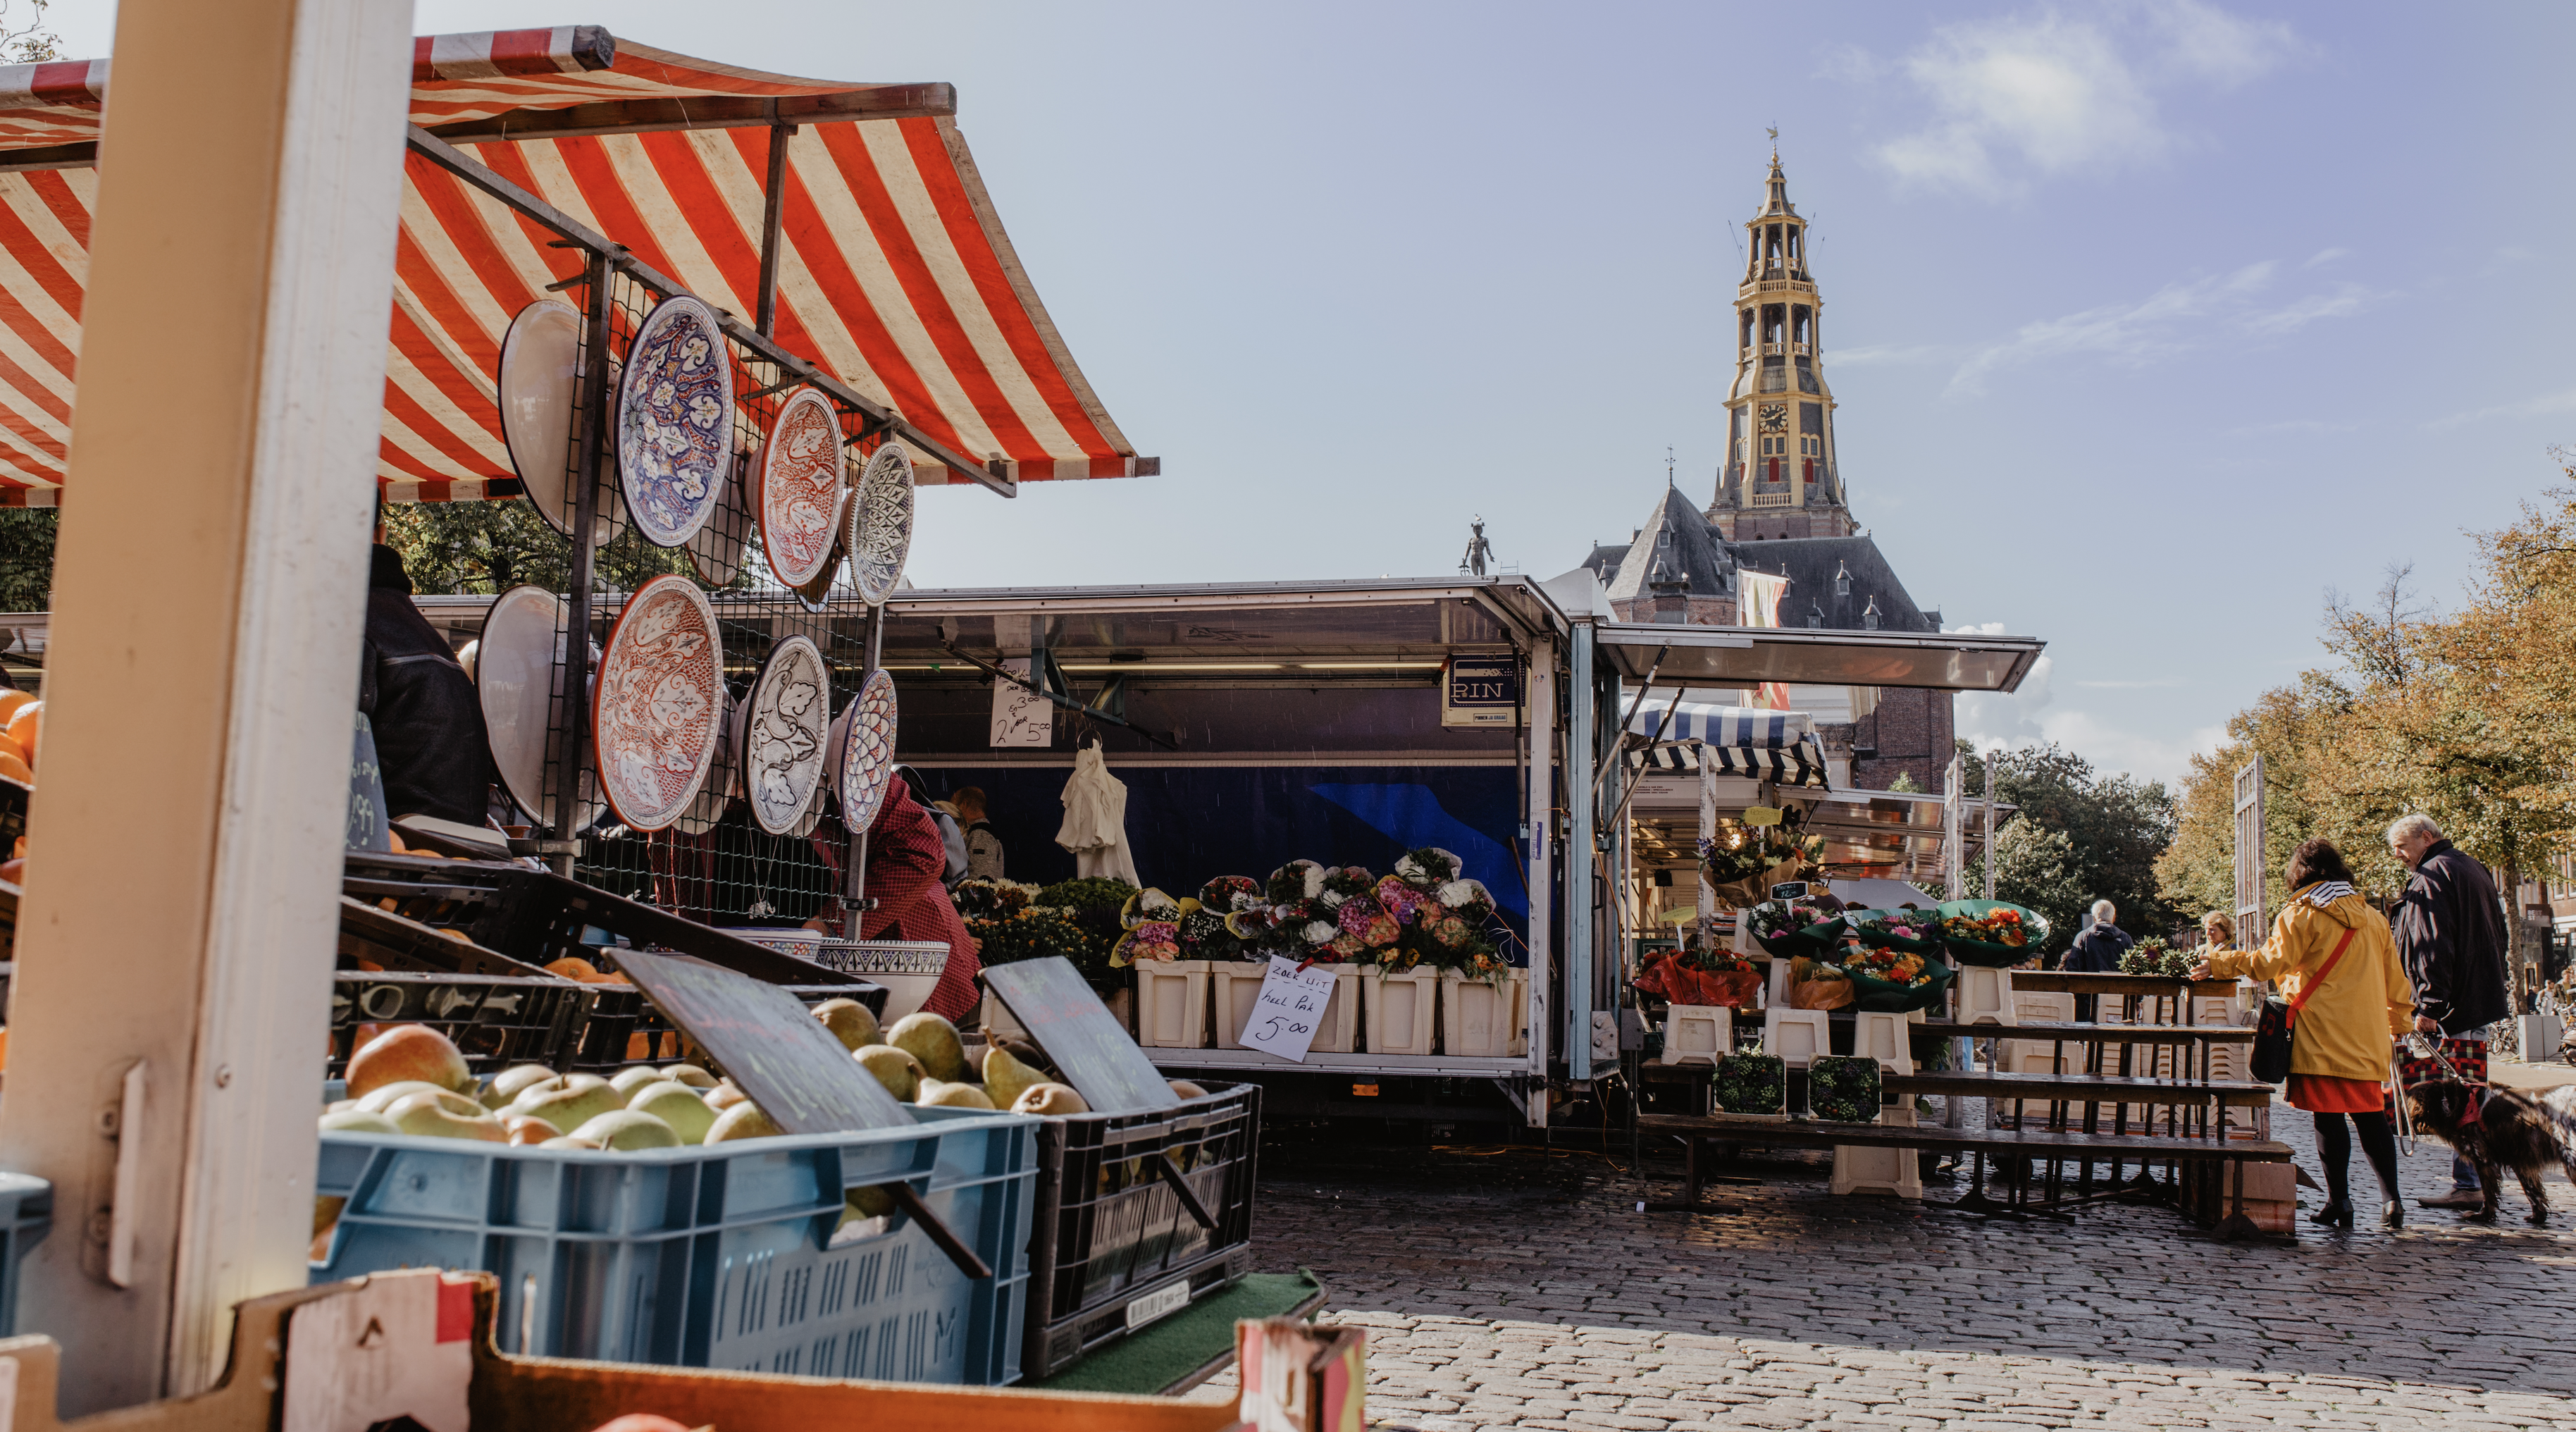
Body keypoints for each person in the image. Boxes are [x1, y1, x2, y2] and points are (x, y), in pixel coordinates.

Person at [2193, 839, 2415, 1231]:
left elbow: (2265, 964)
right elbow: (2396, 983)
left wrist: (2219, 961)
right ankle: (2392, 1201)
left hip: (2319, 1032)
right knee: (2371, 1119)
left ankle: (2340, 1202)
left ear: (2299, 875)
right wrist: (2398, 1027)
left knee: (2328, 1120)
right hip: (2368, 1036)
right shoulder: (2375, 919)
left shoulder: (2301, 914)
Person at [2386, 812, 2513, 1212]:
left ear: (2426, 838)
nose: (2399, 857)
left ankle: (2471, 1182)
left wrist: (2428, 1005)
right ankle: (2475, 1179)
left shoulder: (2431, 877)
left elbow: (2431, 947)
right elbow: (2500, 932)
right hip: (2477, 998)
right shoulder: (2473, 867)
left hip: (2452, 1006)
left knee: (2462, 1095)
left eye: (2402, 848)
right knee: (2473, 1090)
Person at [805, 779, 981, 1020]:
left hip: (921, 984)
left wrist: (831, 924)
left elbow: (922, 853)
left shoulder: (853, 770)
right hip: (859, 978)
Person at [359, 541, 495, 826]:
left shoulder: (352, 621)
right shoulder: (417, 630)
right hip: (442, 849)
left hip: (390, 854)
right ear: (381, 533)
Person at [2062, 899, 2133, 1021]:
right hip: (2117, 1000)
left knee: (2087, 1035)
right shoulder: (2125, 939)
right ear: (2113, 917)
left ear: (2094, 917)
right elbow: (2134, 969)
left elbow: (2073, 969)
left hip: (2087, 1001)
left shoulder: (2083, 937)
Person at [953, 786, 1005, 881]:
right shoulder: (980, 833)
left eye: (953, 807)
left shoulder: (980, 835)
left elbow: (979, 882)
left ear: (964, 805)